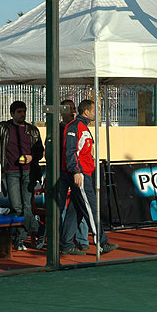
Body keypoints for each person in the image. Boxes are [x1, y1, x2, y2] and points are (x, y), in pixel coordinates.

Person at [0, 101, 43, 251]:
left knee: (25, 205)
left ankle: (19, 239)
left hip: (28, 172)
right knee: (16, 206)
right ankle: (39, 228)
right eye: (19, 112)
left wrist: (32, 157)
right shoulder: (3, 128)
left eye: (24, 111)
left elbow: (40, 151)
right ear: (12, 114)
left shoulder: (32, 130)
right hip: (11, 172)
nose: (22, 114)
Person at [60, 99, 118, 255]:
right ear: (86, 112)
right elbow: (70, 151)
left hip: (85, 173)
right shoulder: (74, 126)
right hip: (81, 175)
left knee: (76, 210)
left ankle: (65, 244)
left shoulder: (83, 126)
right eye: (94, 111)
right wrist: (76, 171)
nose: (95, 113)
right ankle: (102, 242)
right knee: (91, 210)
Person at [57, 99, 89, 254]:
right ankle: (62, 241)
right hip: (61, 172)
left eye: (73, 108)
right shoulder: (57, 128)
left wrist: (78, 170)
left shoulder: (78, 127)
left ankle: (83, 240)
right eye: (68, 108)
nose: (72, 111)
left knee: (79, 205)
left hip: (75, 172)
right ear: (61, 111)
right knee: (61, 206)